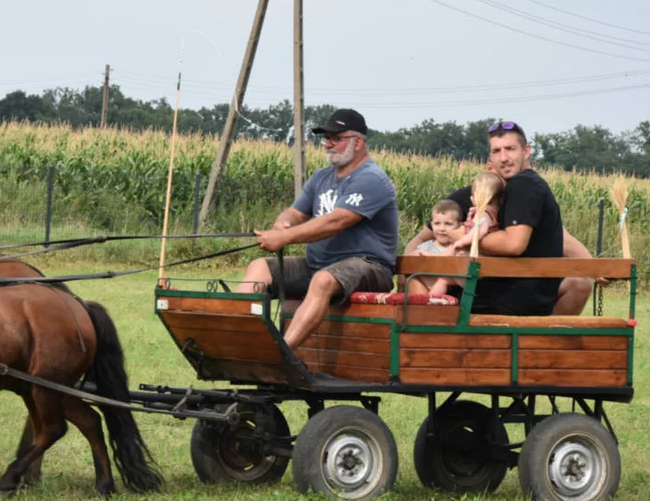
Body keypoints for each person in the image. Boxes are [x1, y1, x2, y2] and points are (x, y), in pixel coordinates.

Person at [237, 108, 398, 350]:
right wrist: (284, 223)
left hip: (369, 266)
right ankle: (242, 343)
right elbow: (295, 212)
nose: (328, 144)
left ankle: (281, 354)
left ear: (358, 143)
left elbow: (336, 222)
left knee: (324, 280)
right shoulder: (321, 177)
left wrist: (284, 238)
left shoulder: (371, 179)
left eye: (336, 138)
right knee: (259, 267)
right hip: (319, 265)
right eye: (326, 138)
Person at [402, 125, 594, 315]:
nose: (504, 158)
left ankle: (428, 338)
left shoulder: (523, 185)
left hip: (505, 298)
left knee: (415, 278)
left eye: (510, 149)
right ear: (490, 160)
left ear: (526, 151)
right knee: (414, 274)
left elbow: (514, 244)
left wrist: (464, 236)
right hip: (514, 290)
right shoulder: (510, 189)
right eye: (497, 151)